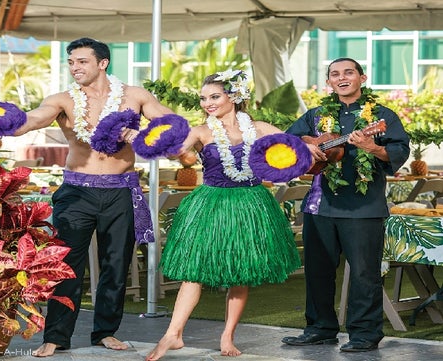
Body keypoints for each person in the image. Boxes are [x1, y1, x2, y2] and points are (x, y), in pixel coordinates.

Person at [9, 37, 174, 357]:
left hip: (120, 190)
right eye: (71, 62)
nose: (74, 68)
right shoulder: (63, 99)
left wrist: (139, 135)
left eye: (82, 61)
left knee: (117, 264)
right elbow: (35, 117)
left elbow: (171, 127)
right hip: (76, 193)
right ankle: (56, 335)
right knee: (66, 265)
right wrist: (10, 123)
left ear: (103, 63)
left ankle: (105, 332)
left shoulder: (135, 96)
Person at [145, 70, 302, 361]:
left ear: (234, 96)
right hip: (211, 204)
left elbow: (296, 150)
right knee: (195, 272)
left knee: (239, 273)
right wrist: (162, 146)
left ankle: (227, 335)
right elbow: (178, 150)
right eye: (204, 98)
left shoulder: (261, 128)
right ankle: (173, 334)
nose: (207, 103)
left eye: (214, 96)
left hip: (250, 205)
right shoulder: (202, 131)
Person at [281, 58, 410, 352]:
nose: (342, 78)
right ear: (329, 82)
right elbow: (287, 141)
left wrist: (373, 147)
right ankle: (319, 328)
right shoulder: (315, 116)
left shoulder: (382, 116)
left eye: (348, 72)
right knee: (317, 270)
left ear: (361, 78)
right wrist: (308, 145)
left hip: (363, 208)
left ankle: (365, 334)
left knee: (365, 273)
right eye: (335, 74)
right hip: (319, 205)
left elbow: (399, 150)